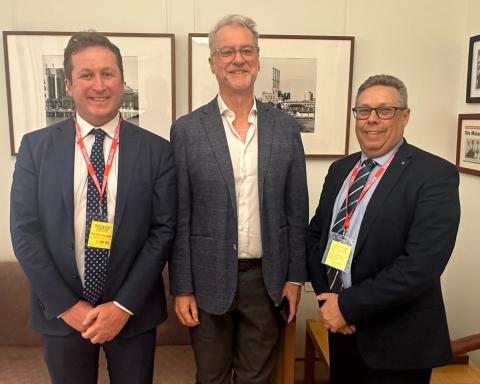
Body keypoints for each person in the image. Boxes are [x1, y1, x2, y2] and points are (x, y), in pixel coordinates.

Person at [10, 31, 176, 384]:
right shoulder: (35, 148)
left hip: (132, 312)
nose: (98, 85)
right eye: (86, 75)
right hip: (61, 311)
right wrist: (68, 307)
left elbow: (163, 231)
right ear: (68, 85)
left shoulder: (156, 151)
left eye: (107, 73)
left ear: (122, 80)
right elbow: (24, 231)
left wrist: (121, 306)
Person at [170, 14, 308, 384]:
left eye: (246, 50)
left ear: (258, 59)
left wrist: (295, 278)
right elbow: (180, 214)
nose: (238, 59)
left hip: (267, 280)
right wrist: (181, 287)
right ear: (212, 62)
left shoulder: (285, 128)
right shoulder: (186, 131)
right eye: (227, 51)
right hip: (207, 280)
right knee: (211, 377)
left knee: (257, 379)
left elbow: (297, 211)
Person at [307, 74, 460, 384]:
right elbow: (316, 237)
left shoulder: (434, 174)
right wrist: (329, 300)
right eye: (363, 111)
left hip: (397, 343)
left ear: (404, 116)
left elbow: (421, 266)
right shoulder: (341, 169)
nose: (371, 120)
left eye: (384, 110)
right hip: (340, 330)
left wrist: (348, 306)